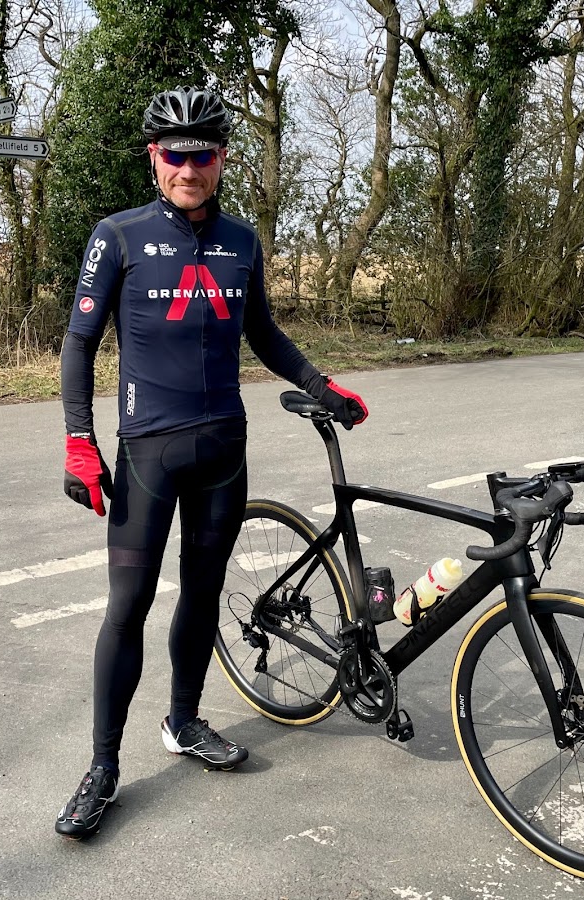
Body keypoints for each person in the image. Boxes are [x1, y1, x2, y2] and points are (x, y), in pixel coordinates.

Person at [54, 86, 368, 839]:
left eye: (203, 153)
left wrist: (317, 383)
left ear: (223, 159)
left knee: (202, 595)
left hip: (225, 450)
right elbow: (78, 345)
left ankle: (185, 720)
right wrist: (78, 439)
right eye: (174, 153)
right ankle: (102, 766)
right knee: (126, 609)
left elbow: (262, 330)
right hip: (147, 456)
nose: (188, 167)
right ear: (154, 159)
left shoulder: (241, 240)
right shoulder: (118, 235)